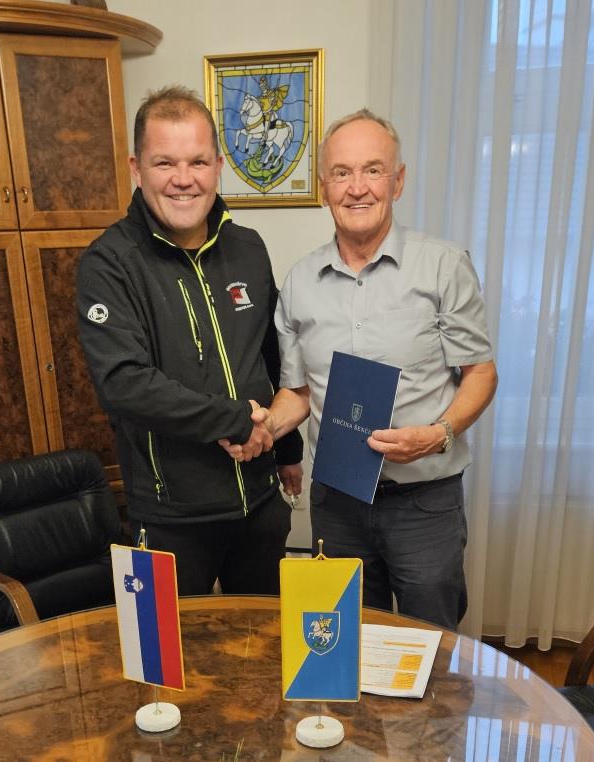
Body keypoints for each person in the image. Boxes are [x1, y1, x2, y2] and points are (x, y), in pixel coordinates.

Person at [224, 109, 497, 629]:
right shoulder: (300, 281)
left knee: (429, 643)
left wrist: (438, 434)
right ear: (324, 186)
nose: (357, 188)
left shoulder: (443, 266)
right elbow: (299, 391)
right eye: (342, 173)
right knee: (342, 642)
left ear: (398, 181)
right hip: (338, 503)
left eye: (373, 170)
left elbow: (480, 373)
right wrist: (264, 427)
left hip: (424, 502)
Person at [76, 86, 303, 597]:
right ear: (136, 168)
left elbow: (274, 357)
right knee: (165, 652)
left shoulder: (248, 247)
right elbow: (124, 384)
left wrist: (287, 447)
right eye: (165, 163)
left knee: (267, 642)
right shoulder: (109, 264)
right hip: (170, 521)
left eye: (198, 161)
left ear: (218, 166)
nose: (184, 179)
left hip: (259, 506)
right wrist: (236, 420)